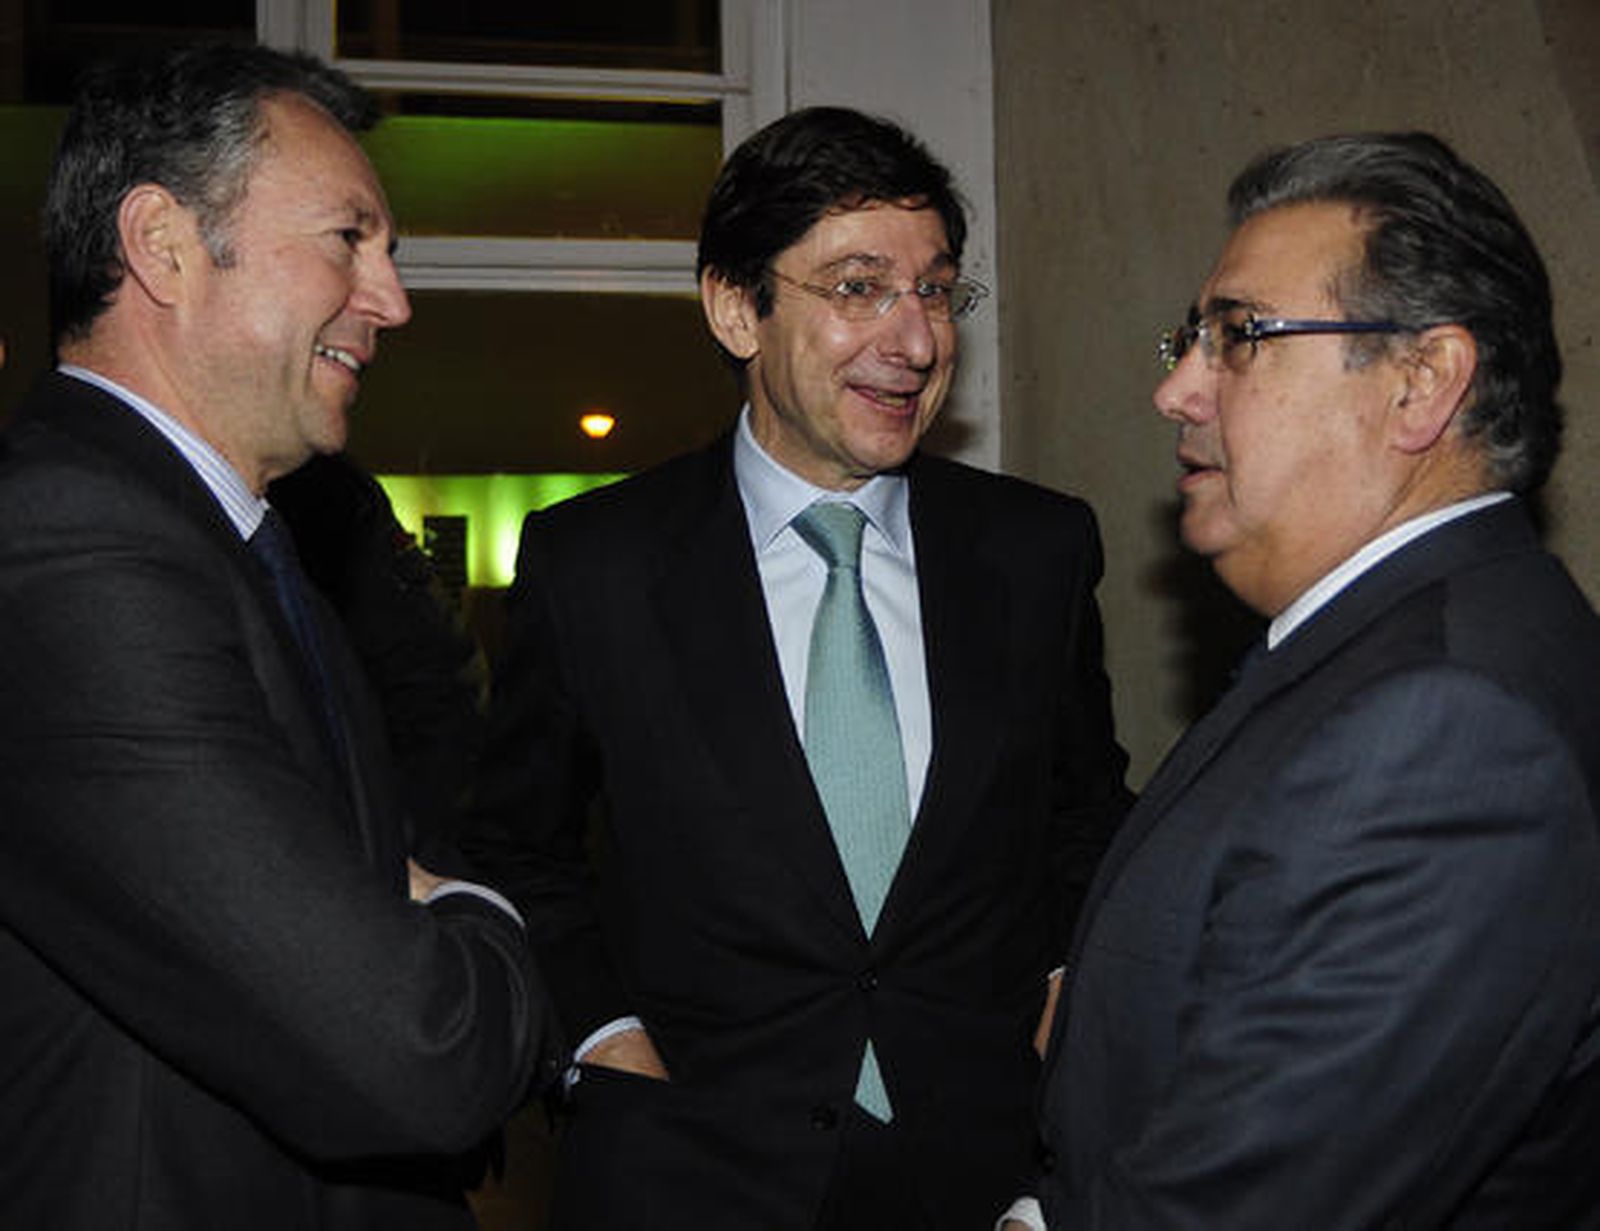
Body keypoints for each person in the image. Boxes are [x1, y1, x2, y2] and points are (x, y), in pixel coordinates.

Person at [462, 105, 1132, 1230]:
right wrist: (602, 1042)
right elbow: (516, 846)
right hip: (689, 1174)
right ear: (736, 307)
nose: (914, 341)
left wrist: (1071, 989)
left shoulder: (1037, 550)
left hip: (985, 1173)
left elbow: (1083, 818)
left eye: (934, 289)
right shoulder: (598, 564)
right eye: (858, 287)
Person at [0, 44, 555, 1229]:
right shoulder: (66, 546)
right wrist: (481, 913)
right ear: (163, 244)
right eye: (348, 239)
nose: (392, 300)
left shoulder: (233, 541)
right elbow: (420, 1051)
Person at [1020, 132, 1600, 1228]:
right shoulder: (1397, 645)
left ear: (1419, 384)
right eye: (1188, 338)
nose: (1175, 390)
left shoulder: (1453, 728)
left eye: (1237, 336)